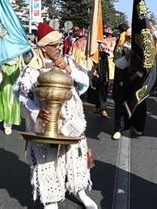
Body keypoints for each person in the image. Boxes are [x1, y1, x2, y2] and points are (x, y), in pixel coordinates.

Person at [14, 22, 97, 209]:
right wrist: (36, 112)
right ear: (43, 48)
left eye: (60, 44)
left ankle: (80, 190)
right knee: (48, 160)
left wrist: (69, 70)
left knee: (76, 155)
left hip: (71, 119)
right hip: (45, 122)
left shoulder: (69, 61)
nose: (59, 48)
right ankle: (51, 200)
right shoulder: (32, 68)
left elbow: (85, 81)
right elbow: (21, 95)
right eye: (55, 45)